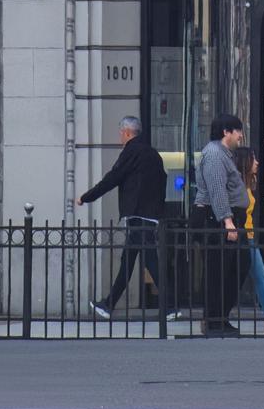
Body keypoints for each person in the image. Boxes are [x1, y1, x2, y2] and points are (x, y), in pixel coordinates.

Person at [80, 116, 174, 321]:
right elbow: (163, 181)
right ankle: (108, 304)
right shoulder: (153, 154)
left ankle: (170, 306)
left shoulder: (131, 151)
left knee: (148, 260)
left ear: (127, 132)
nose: (120, 137)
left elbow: (113, 178)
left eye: (121, 133)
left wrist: (86, 198)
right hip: (152, 215)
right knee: (129, 261)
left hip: (137, 214)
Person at [194, 115, 249, 335]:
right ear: (226, 132)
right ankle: (214, 320)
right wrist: (227, 221)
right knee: (219, 271)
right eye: (238, 131)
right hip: (217, 219)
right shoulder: (215, 154)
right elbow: (217, 190)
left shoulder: (223, 154)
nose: (241, 136)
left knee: (235, 267)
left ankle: (220, 317)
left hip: (225, 218)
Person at [232, 145, 264, 335]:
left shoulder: (246, 183)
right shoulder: (237, 184)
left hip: (249, 236)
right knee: (255, 277)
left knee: (260, 277)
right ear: (244, 162)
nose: (257, 162)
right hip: (243, 236)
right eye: (253, 159)